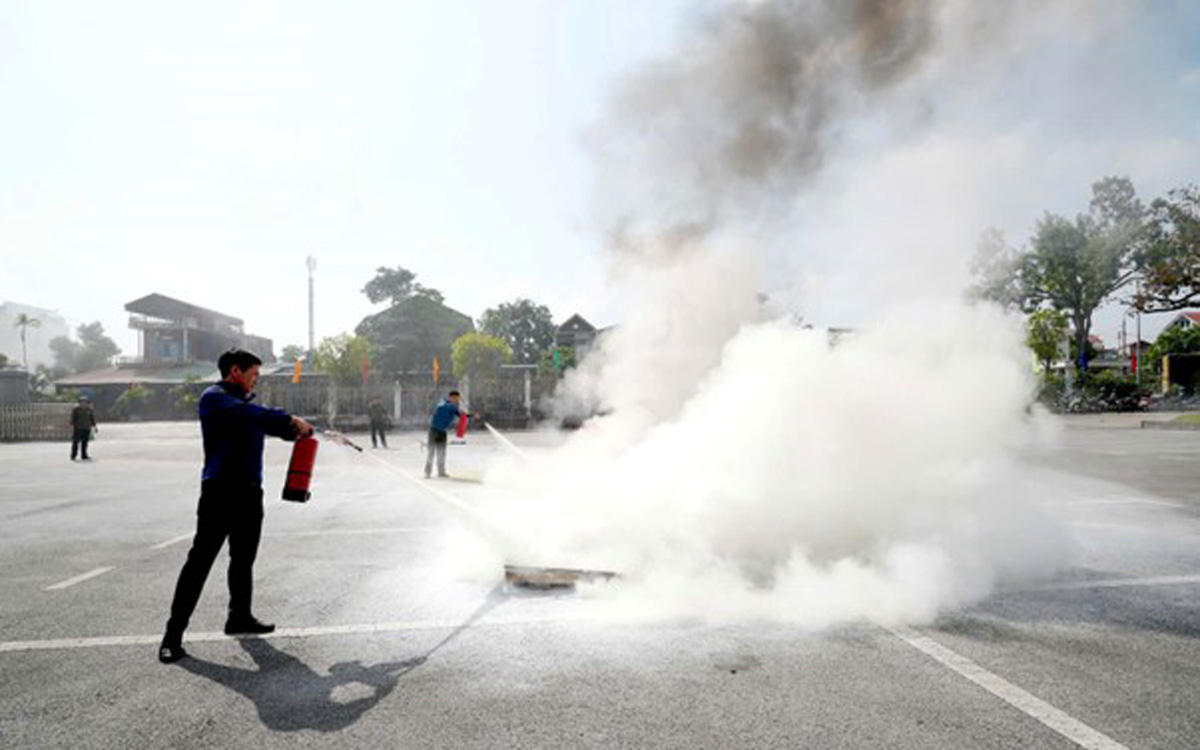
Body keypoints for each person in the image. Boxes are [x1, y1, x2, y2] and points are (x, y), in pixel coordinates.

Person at [158, 349, 313, 664]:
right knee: (200, 562)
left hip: (250, 493)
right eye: (253, 372)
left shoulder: (247, 406)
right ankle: (172, 636)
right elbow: (255, 416)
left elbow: (273, 426)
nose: (256, 378)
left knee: (243, 559)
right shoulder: (215, 399)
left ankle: (239, 617)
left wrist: (297, 431)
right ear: (234, 371)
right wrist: (289, 419)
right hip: (219, 491)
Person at [425, 390, 472, 478]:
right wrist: (457, 409)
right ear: (450, 397)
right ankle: (428, 472)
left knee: (442, 452)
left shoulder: (453, 408)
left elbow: (461, 415)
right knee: (431, 452)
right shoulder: (443, 403)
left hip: (443, 431)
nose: (457, 400)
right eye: (455, 399)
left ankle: (441, 472)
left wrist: (470, 415)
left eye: (458, 399)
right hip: (433, 430)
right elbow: (444, 407)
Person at [69, 396, 97, 461]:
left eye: (85, 402)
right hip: (78, 428)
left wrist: (94, 426)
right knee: (76, 442)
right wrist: (73, 425)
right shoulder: (76, 409)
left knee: (85, 443)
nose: (83, 403)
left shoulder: (89, 410)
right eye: (82, 402)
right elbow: (73, 418)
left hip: (86, 428)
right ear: (79, 403)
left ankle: (84, 455)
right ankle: (73, 455)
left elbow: (92, 418)